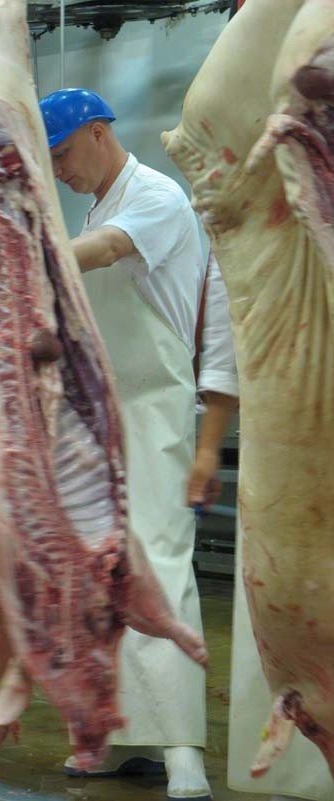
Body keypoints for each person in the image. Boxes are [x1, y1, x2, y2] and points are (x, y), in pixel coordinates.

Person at [39, 87, 211, 801]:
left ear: (98, 131)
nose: (61, 172)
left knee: (157, 568)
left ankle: (182, 749)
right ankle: (113, 733)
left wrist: (26, 255)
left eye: (62, 155)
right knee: (97, 575)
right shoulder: (94, 208)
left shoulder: (157, 197)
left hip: (153, 407)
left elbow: (108, 252)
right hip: (97, 411)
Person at [189, 255, 333, 801]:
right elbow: (226, 336)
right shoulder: (248, 226)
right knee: (283, 621)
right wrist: (209, 448)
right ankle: (294, 784)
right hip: (278, 441)